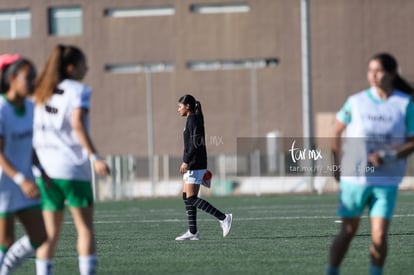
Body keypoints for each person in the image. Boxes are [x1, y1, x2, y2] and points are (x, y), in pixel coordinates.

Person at [327, 53, 414, 275]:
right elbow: (336, 130)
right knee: (347, 232)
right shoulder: (356, 102)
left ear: (392, 74)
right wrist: (335, 164)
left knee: (380, 236)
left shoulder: (404, 104)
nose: (373, 75)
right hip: (355, 179)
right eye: (370, 70)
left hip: (386, 180)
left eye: (378, 70)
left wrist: (388, 156)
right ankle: (332, 270)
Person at [32, 45, 110, 275]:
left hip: (45, 172)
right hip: (73, 169)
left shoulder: (39, 91)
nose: (87, 68)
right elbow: (77, 124)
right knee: (84, 229)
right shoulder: (78, 91)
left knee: (49, 233)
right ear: (71, 68)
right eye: (84, 64)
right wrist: (95, 156)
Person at [0, 54, 47, 274]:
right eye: (28, 77)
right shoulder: (2, 109)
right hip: (4, 184)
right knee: (5, 241)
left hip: (24, 183)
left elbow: (31, 147)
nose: (33, 82)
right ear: (12, 79)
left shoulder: (30, 108)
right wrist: (20, 179)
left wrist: (43, 172)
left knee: (40, 236)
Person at [175, 94, 233, 241]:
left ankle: (224, 218)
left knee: (192, 198)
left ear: (187, 106)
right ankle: (193, 232)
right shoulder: (192, 118)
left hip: (195, 163)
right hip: (195, 163)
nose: (178, 110)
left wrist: (186, 161)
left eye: (179, 107)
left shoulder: (193, 119)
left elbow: (194, 144)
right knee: (186, 197)